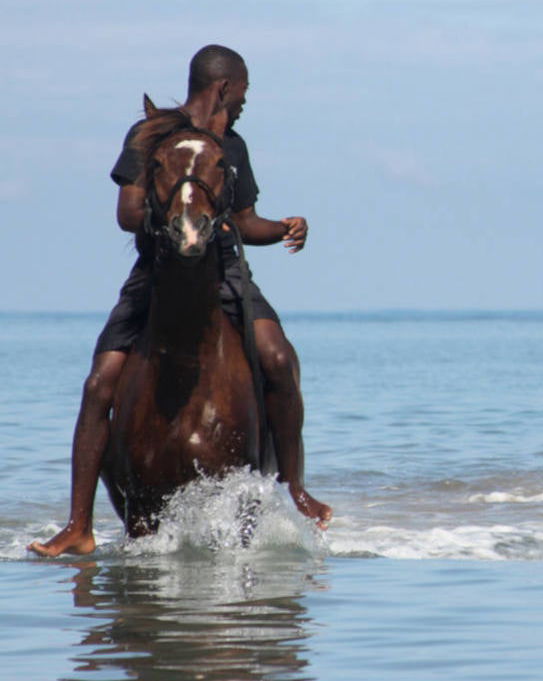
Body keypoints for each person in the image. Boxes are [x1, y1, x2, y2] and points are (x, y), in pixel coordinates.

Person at [29, 45, 332, 557]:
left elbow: (246, 220)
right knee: (100, 382)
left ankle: (295, 488)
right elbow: (127, 213)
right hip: (157, 272)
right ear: (225, 87)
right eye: (244, 92)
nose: (243, 103)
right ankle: (79, 525)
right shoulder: (149, 136)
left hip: (225, 272)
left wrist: (282, 227)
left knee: (279, 358)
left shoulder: (232, 146)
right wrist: (178, 220)